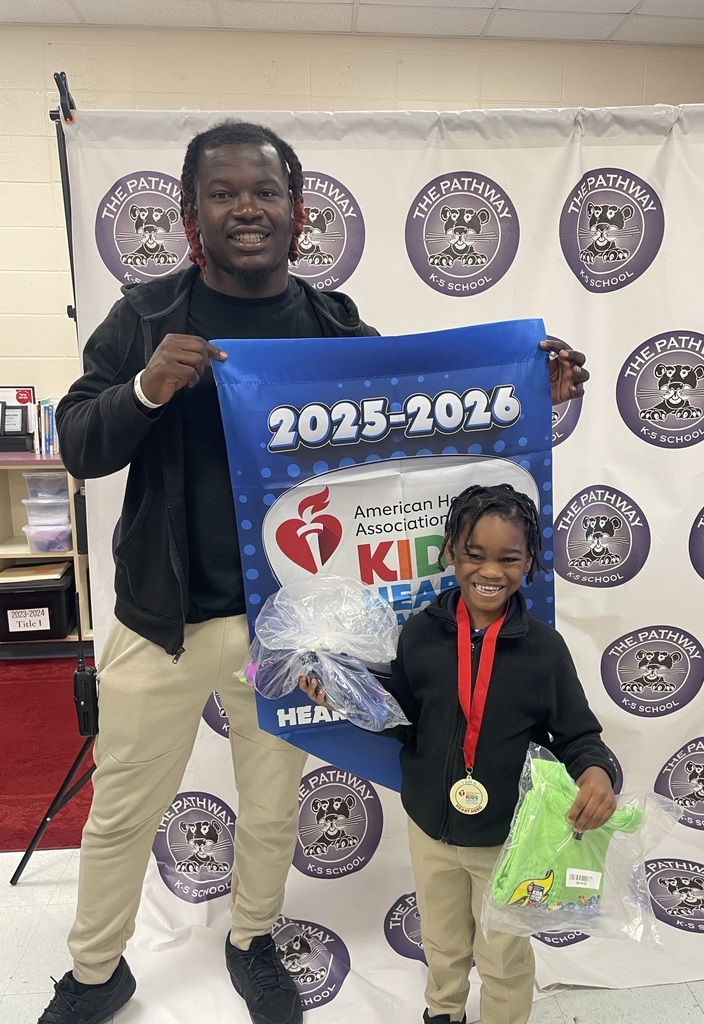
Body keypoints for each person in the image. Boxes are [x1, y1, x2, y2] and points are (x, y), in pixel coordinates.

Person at [39, 118, 590, 1024]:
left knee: (271, 805)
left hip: (293, 631)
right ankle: (97, 969)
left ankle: (252, 940)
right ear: (190, 215)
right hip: (162, 619)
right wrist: (144, 389)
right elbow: (79, 443)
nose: (245, 207)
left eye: (265, 192)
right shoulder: (142, 317)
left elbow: (413, 431)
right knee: (123, 810)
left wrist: (529, 395)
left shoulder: (331, 325)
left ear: (298, 216)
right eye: (223, 192)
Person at [301, 483, 617, 1024]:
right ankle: (442, 1014)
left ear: (529, 561)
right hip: (430, 829)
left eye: (508, 558)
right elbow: (402, 718)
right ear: (450, 550)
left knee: (503, 956)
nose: (489, 571)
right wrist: (351, 701)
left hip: (508, 840)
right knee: (443, 945)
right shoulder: (421, 634)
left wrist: (597, 774)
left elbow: (579, 735)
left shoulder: (543, 650)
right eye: (475, 554)